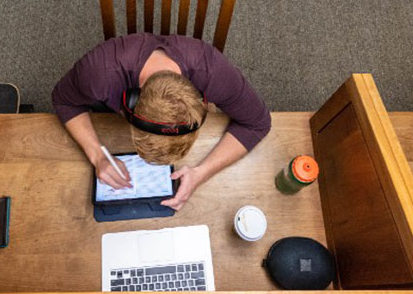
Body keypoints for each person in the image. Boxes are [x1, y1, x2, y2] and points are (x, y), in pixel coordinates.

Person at [52, 33, 271, 210]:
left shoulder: (213, 72)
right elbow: (63, 100)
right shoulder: (98, 73)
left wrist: (200, 173)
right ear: (130, 105)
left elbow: (258, 123)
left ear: (202, 102)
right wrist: (97, 156)